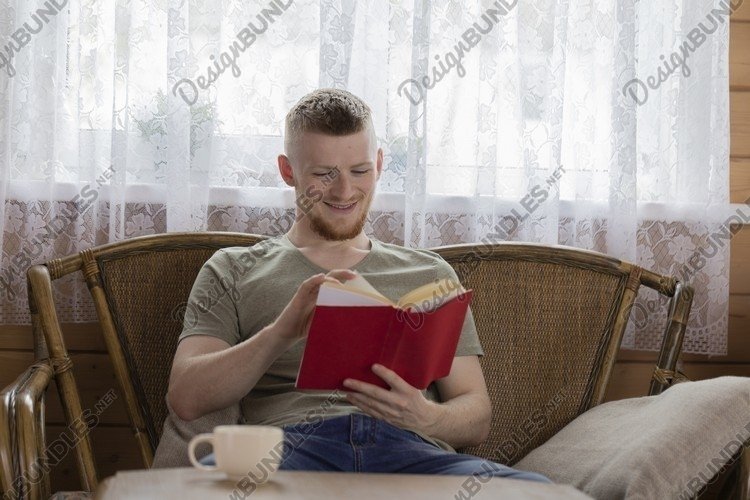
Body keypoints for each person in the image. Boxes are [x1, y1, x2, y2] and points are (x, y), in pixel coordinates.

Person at [160, 88, 548, 481]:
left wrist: (426, 416)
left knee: (538, 491)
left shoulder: (431, 273)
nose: (344, 191)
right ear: (288, 170)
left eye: (359, 171)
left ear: (379, 164)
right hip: (293, 451)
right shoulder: (233, 269)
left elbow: (476, 413)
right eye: (324, 173)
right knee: (203, 489)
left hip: (411, 453)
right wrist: (281, 333)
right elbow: (187, 396)